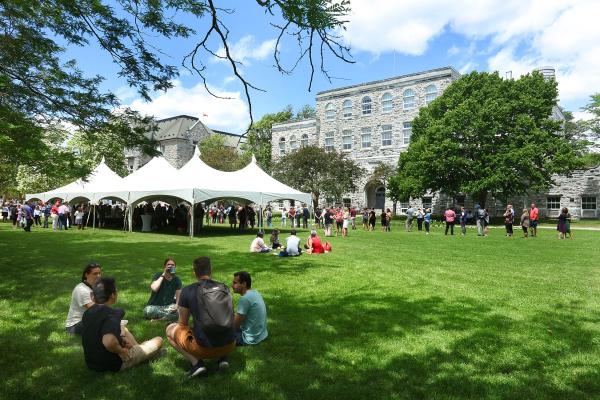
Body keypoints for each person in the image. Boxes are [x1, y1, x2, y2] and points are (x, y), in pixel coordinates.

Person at [166, 257, 235, 377]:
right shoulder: (224, 287)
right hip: (230, 344)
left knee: (170, 329)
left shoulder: (188, 290)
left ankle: (196, 364)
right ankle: (222, 358)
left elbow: (182, 323)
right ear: (211, 270)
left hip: (204, 349)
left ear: (194, 273)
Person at [82, 277, 163, 372]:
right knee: (159, 340)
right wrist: (121, 351)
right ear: (112, 295)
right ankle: (145, 353)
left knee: (125, 332)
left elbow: (96, 333)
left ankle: (142, 351)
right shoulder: (111, 315)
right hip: (113, 364)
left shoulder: (87, 313)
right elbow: (109, 342)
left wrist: (121, 340)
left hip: (92, 364)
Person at [232, 271, 268, 346]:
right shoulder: (255, 292)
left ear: (244, 284)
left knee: (219, 333)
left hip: (249, 338)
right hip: (262, 335)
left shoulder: (245, 298)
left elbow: (235, 326)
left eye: (235, 283)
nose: (232, 285)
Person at [66, 263, 102, 334]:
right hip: (75, 325)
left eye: (99, 273)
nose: (98, 276)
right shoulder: (81, 289)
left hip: (90, 319)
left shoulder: (94, 287)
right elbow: (95, 309)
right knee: (107, 324)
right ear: (86, 275)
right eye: (95, 274)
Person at [143, 257, 183, 322]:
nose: (170, 266)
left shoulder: (176, 280)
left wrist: (176, 306)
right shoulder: (158, 275)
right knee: (148, 311)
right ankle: (168, 317)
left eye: (173, 265)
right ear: (165, 266)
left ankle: (159, 319)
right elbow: (154, 288)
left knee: (180, 312)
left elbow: (179, 297)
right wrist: (164, 274)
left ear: (175, 267)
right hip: (154, 306)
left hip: (168, 307)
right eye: (168, 265)